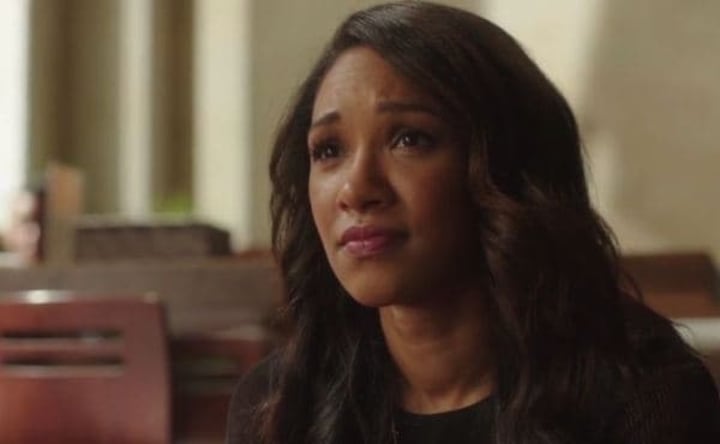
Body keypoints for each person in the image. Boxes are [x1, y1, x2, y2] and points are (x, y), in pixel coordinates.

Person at [227, 2, 720, 443]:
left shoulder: (642, 395)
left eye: (409, 139)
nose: (356, 189)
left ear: (507, 168)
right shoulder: (280, 404)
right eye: (329, 150)